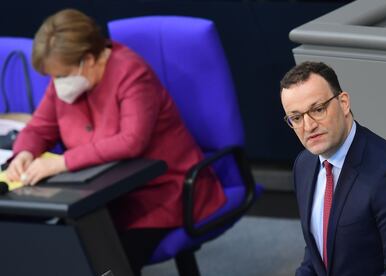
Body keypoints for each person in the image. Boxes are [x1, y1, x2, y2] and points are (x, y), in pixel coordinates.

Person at [5, 9, 226, 275]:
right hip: (99, 196)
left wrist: (62, 163)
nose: (56, 84)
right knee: (54, 250)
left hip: (160, 195)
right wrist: (24, 153)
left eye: (61, 76)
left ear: (87, 60)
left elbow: (131, 141)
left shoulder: (131, 73)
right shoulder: (66, 77)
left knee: (102, 260)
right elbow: (39, 127)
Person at [280, 61, 386, 275]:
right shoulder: (303, 166)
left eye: (318, 109)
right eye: (296, 117)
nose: (308, 125)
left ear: (343, 103)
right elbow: (317, 252)